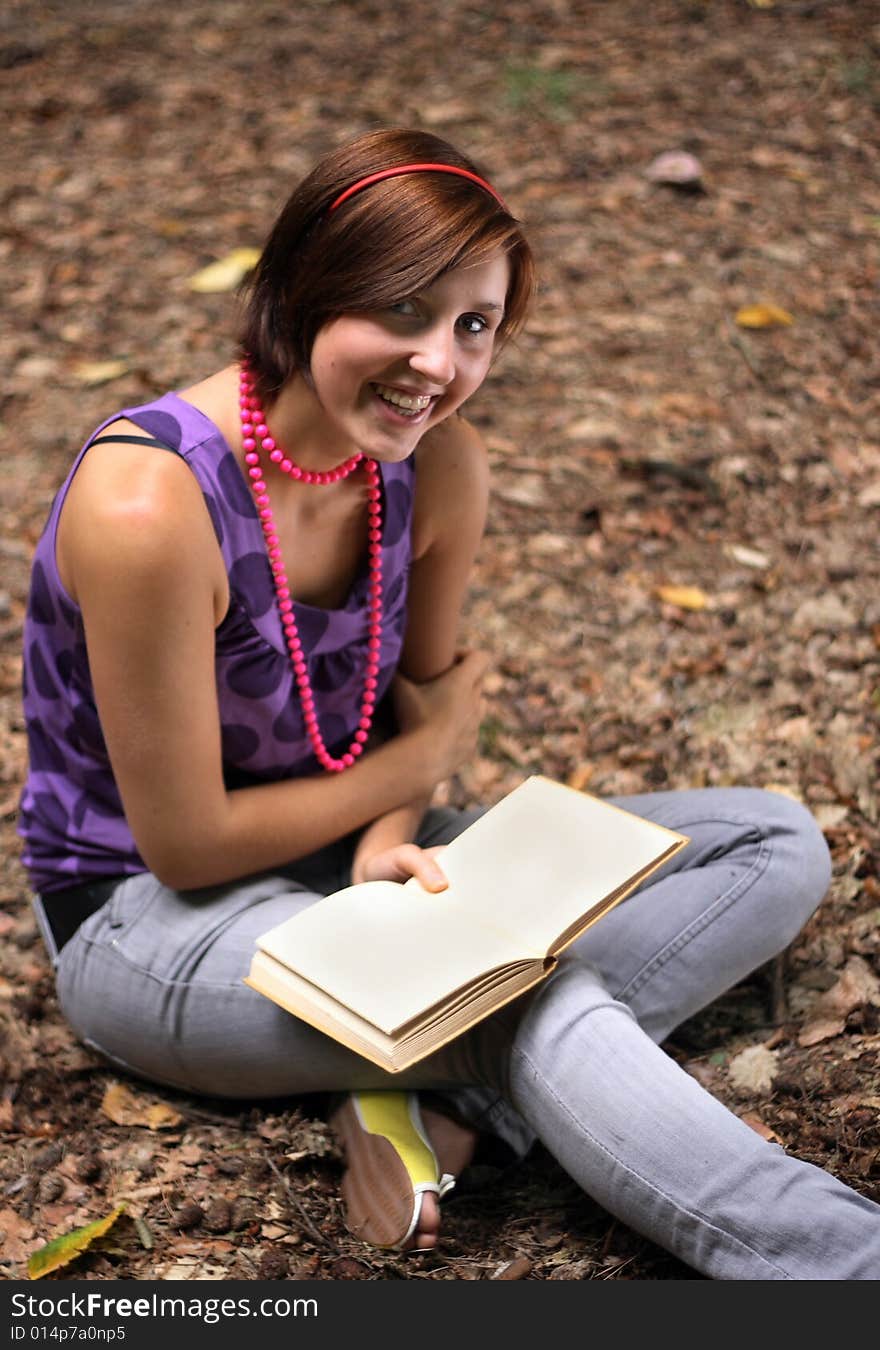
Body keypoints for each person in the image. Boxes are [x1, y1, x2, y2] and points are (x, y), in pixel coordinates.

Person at [18, 127, 880, 1280]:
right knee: (525, 992)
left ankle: (426, 1098)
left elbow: (409, 702)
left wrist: (389, 830)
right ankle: (836, 1267)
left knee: (768, 839)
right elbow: (187, 843)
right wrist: (430, 754)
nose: (440, 362)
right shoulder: (149, 503)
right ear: (300, 293)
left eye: (473, 325)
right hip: (146, 917)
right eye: (405, 313)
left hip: (355, 852)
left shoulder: (436, 463)